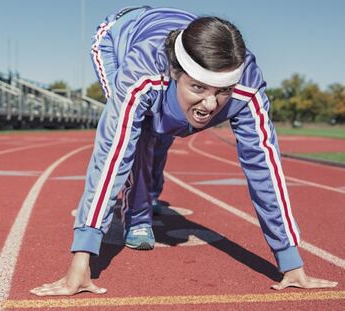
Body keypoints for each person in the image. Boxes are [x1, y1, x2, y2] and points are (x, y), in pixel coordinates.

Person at [30, 6, 337, 296]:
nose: (210, 105)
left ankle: (151, 190)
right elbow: (111, 156)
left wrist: (291, 262)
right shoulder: (142, 73)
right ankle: (137, 215)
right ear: (177, 73)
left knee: (165, 131)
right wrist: (82, 260)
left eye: (222, 92)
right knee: (138, 135)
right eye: (199, 88)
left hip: (176, 39)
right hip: (118, 36)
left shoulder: (248, 88)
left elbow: (265, 169)